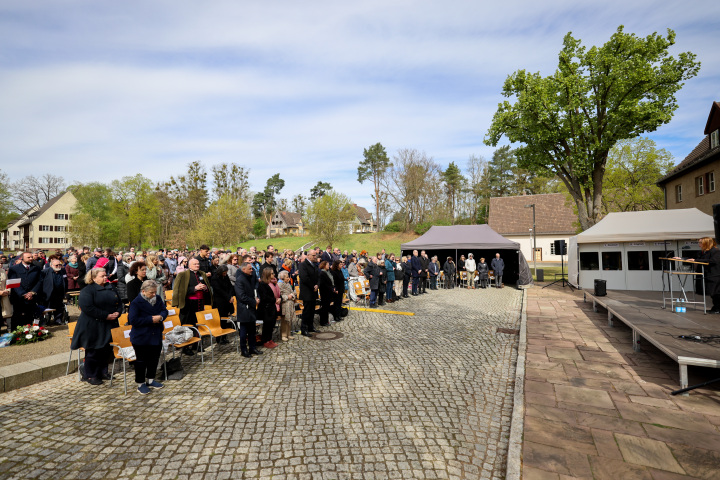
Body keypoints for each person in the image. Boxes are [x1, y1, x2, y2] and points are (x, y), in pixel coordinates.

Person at [71, 268, 122, 385]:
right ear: (93, 278)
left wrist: (117, 313)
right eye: (102, 276)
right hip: (93, 325)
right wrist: (106, 315)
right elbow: (87, 307)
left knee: (106, 349)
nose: (106, 277)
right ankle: (91, 375)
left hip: (109, 324)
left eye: (106, 275)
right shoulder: (88, 290)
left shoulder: (111, 287)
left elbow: (119, 303)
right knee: (94, 350)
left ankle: (103, 372)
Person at [127, 280, 168, 395]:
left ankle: (150, 379)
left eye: (155, 292)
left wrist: (161, 317)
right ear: (143, 291)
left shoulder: (158, 298)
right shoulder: (136, 302)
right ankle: (140, 383)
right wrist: (151, 319)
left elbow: (164, 310)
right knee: (141, 361)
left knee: (154, 359)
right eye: (151, 293)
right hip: (141, 337)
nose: (154, 294)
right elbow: (133, 320)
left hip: (156, 333)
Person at [171, 258, 212, 355]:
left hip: (200, 303)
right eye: (195, 264)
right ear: (189, 266)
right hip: (188, 304)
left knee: (198, 324)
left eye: (198, 264)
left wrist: (205, 288)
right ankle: (186, 347)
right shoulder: (183, 275)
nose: (197, 265)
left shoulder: (201, 274)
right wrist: (195, 288)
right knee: (187, 325)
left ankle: (197, 344)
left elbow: (207, 286)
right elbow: (180, 290)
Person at [7, 252, 42, 332]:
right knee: (17, 315)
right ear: (22, 258)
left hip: (32, 297)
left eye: (31, 257)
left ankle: (28, 332)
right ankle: (16, 333)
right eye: (28, 257)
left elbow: (40, 281)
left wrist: (32, 292)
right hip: (18, 297)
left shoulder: (36, 268)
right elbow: (13, 282)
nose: (31, 258)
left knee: (29, 315)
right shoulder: (14, 269)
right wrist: (23, 294)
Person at [234, 261, 261, 357]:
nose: (252, 270)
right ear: (243, 269)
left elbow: (255, 290)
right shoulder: (240, 280)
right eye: (250, 268)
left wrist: (257, 297)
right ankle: (244, 350)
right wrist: (254, 301)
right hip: (244, 309)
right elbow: (241, 296)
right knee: (244, 332)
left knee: (252, 330)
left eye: (252, 268)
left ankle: (252, 348)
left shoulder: (250, 278)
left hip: (251, 308)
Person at [691, 237, 720, 313]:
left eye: (700, 243)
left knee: (716, 293)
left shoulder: (715, 251)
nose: (699, 245)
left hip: (715, 276)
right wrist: (682, 258)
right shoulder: (702, 252)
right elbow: (695, 259)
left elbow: (713, 261)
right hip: (707, 275)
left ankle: (717, 309)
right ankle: (716, 308)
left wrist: (697, 260)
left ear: (706, 243)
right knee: (712, 293)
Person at [211, 265, 235, 344]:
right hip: (219, 301)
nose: (225, 274)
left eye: (226, 273)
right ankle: (219, 338)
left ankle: (224, 337)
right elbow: (218, 290)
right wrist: (228, 297)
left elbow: (230, 286)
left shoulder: (226, 276)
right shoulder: (215, 278)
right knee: (220, 319)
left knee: (225, 318)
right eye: (224, 273)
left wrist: (230, 296)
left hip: (227, 300)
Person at [39, 258, 67, 325]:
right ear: (51, 265)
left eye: (60, 265)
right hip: (48, 293)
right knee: (47, 307)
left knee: (59, 307)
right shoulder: (45, 272)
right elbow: (40, 283)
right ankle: (46, 320)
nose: (58, 266)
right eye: (56, 265)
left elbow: (66, 281)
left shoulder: (62, 271)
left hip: (59, 293)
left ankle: (58, 320)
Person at [257, 268, 279, 348]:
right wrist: (275, 300)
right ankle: (265, 341)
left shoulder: (271, 284)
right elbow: (265, 297)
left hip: (271, 307)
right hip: (265, 309)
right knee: (267, 325)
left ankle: (269, 339)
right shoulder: (262, 284)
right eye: (272, 273)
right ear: (267, 275)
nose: (274, 275)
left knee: (271, 325)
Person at [298, 250, 319, 335]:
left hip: (313, 291)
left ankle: (310, 326)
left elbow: (317, 276)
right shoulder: (303, 265)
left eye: (315, 255)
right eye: (313, 255)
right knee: (306, 311)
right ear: (309, 256)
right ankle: (304, 328)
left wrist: (317, 285)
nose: (315, 257)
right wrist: (313, 286)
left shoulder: (314, 265)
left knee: (312, 310)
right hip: (307, 291)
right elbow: (304, 278)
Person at [277, 270, 295, 341]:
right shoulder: (280, 284)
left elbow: (293, 292)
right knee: (284, 320)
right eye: (287, 277)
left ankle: (288, 334)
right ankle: (283, 335)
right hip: (284, 304)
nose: (289, 278)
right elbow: (279, 295)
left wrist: (292, 295)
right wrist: (287, 297)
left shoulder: (287, 284)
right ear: (282, 278)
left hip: (290, 304)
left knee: (289, 319)